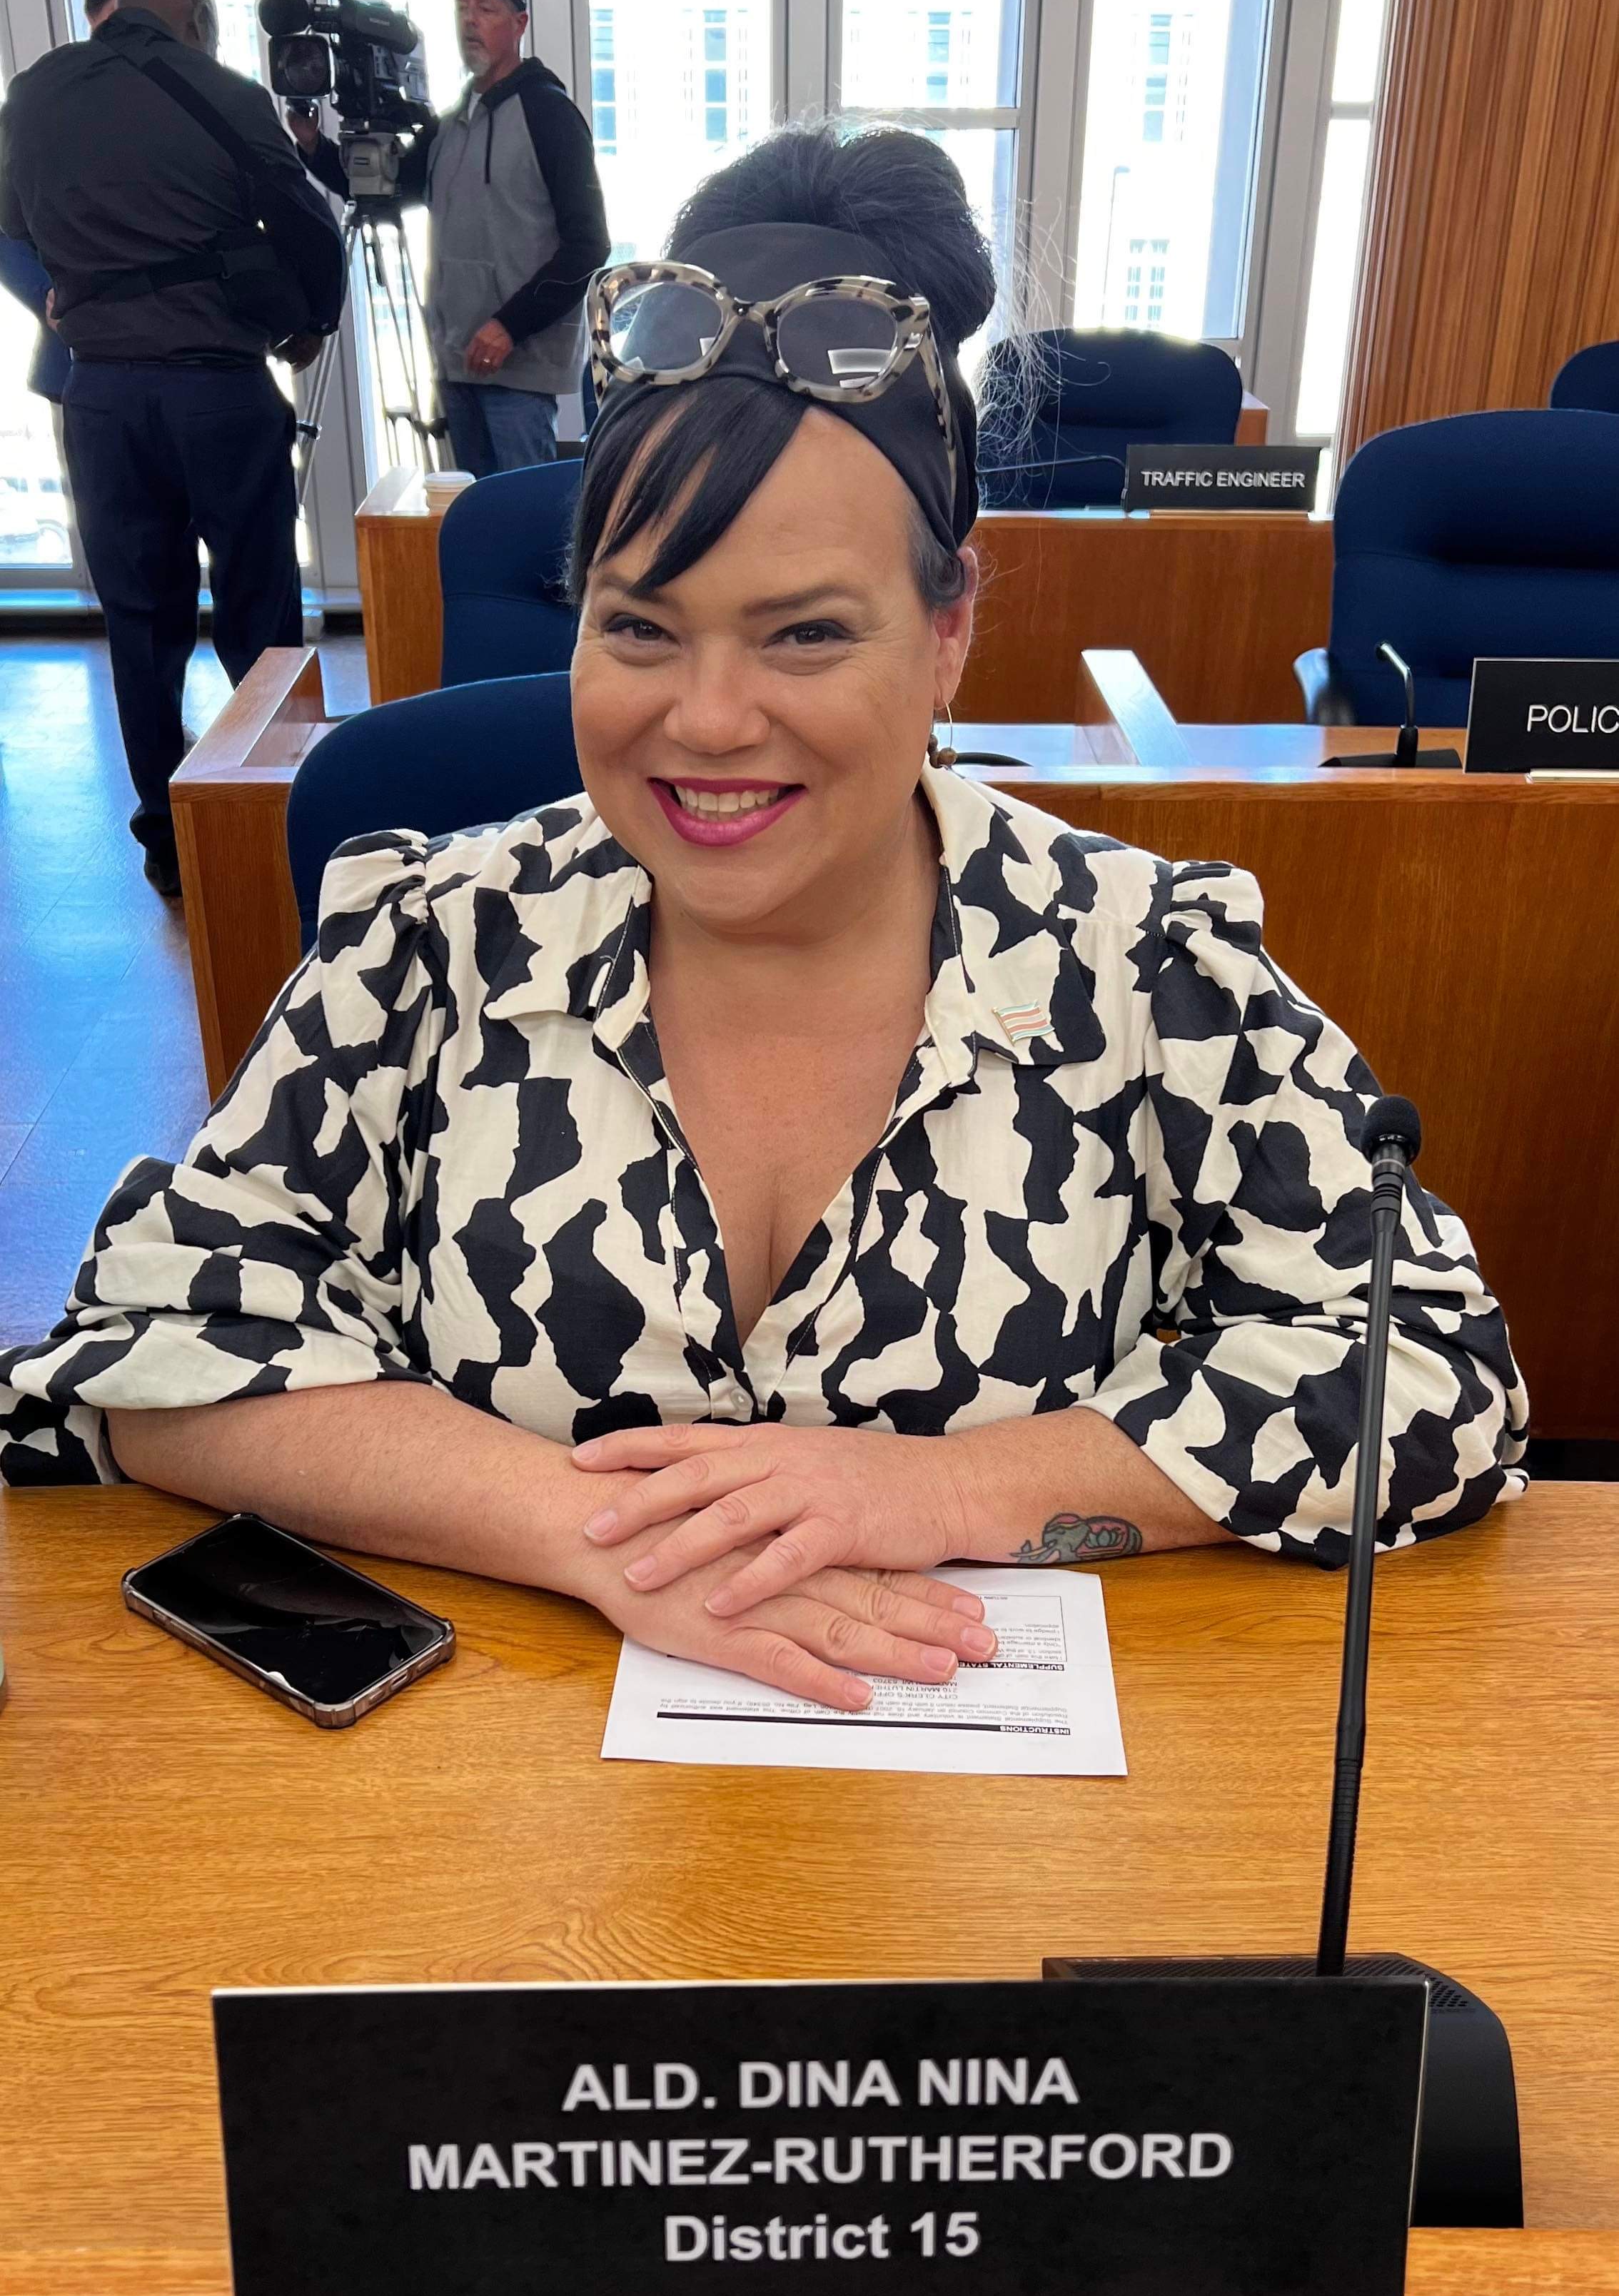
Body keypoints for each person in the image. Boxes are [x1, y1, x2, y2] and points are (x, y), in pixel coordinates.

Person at [0, 125, 1529, 1719]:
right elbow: (142, 1353)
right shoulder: (426, 945)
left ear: (948, 633)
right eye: (641, 627)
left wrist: (942, 1493)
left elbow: (1435, 1377)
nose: (708, 721)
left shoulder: (1148, 962)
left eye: (806, 633)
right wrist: (604, 1539)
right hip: (491, 1847)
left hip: (1005, 1869)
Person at [0, 0, 345, 899]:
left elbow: (10, 230)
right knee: (259, 615)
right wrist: (309, 324)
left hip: (100, 400)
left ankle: (165, 842)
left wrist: (61, 303)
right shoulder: (220, 92)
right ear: (193, 18)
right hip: (216, 390)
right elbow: (308, 225)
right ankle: (275, 807)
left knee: (140, 626)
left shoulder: (34, 95)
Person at [291, 0, 608, 479]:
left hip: (517, 371)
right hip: (456, 362)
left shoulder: (549, 114)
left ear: (519, 23)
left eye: (486, 8)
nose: (470, 21)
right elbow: (385, 193)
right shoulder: (450, 124)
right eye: (463, 8)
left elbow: (589, 246)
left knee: (520, 529)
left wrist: (508, 326)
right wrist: (313, 147)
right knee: (473, 517)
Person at [0, 0, 153, 415]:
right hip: (77, 367)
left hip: (177, 361)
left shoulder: (177, 92)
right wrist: (49, 294)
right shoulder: (44, 96)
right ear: (103, 9)